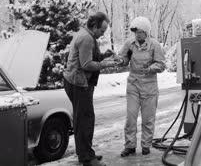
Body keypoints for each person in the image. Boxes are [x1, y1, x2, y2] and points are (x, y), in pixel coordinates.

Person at [63, 12, 116, 166]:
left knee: (85, 119)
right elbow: (86, 64)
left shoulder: (88, 35)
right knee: (84, 120)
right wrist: (106, 64)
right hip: (78, 84)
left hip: (79, 82)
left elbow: (91, 57)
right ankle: (86, 158)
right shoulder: (86, 38)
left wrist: (104, 55)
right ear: (94, 26)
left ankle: (86, 153)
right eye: (102, 31)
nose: (103, 34)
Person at [116, 16, 165, 157]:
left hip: (149, 86)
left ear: (146, 32)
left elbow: (161, 64)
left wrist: (150, 68)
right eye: (135, 32)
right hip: (133, 84)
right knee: (130, 117)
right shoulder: (130, 43)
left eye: (140, 32)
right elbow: (123, 59)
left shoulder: (154, 45)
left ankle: (146, 145)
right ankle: (130, 146)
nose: (137, 34)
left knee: (148, 119)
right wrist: (120, 60)